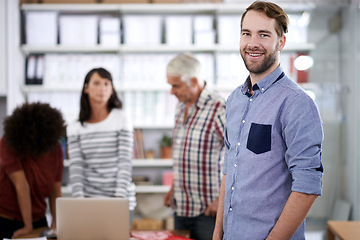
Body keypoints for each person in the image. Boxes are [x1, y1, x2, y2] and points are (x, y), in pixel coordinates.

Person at [212, 1, 324, 240]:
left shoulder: (296, 103)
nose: (253, 43)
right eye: (246, 33)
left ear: (280, 42)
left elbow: (308, 186)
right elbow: (228, 173)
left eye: (264, 34)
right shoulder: (234, 100)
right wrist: (217, 234)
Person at [163, 53, 226, 240]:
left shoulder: (218, 108)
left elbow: (238, 157)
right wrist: (174, 187)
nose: (171, 92)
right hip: (181, 207)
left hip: (208, 211)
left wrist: (221, 200)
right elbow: (182, 152)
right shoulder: (180, 107)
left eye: (176, 85)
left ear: (194, 81)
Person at [66, 68, 136, 218]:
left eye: (106, 84)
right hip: (89, 202)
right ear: (86, 88)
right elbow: (76, 167)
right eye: (97, 83)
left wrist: (118, 201)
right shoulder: (74, 127)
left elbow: (125, 162)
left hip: (120, 200)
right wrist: (79, 201)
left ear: (112, 89)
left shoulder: (122, 119)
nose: (102, 89)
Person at [0, 102, 66, 239]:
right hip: (5, 219)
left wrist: (57, 221)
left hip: (39, 220)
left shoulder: (55, 149)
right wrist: (27, 226)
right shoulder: (8, 143)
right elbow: (21, 185)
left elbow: (55, 191)